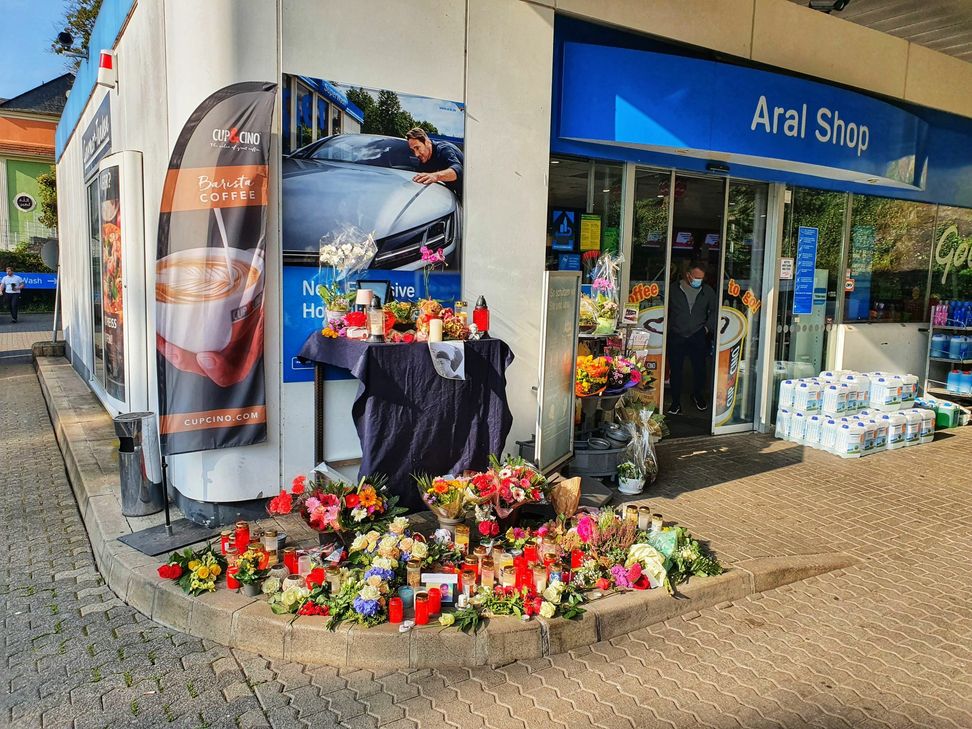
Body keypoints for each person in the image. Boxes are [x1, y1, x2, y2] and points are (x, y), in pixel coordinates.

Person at [666, 261, 717, 414]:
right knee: (676, 370)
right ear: (688, 275)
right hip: (677, 334)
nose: (698, 280)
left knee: (699, 369)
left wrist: (707, 328)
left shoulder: (707, 291)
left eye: (701, 278)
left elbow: (715, 311)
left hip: (698, 335)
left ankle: (698, 396)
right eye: (696, 277)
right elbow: (665, 309)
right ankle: (675, 402)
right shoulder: (674, 289)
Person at [405, 127, 464, 197]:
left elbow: (459, 170)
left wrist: (435, 176)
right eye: (413, 150)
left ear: (427, 142)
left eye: (417, 148)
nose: (416, 154)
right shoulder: (424, 159)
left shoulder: (444, 149)